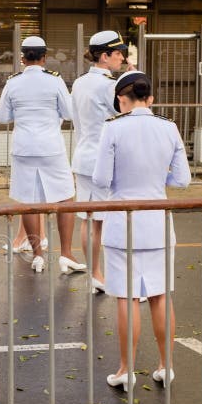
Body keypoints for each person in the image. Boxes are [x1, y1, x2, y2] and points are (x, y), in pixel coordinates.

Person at [92, 71, 191, 391]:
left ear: (122, 98)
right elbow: (182, 180)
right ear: (149, 97)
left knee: (127, 297)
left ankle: (126, 369)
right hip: (159, 220)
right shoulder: (169, 127)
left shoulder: (114, 128)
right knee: (161, 295)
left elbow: (101, 179)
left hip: (124, 220)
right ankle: (166, 365)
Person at [0, 36, 85, 274]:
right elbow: (67, 113)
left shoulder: (13, 83)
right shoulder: (53, 81)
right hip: (50, 147)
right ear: (45, 58)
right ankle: (66, 253)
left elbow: (2, 117)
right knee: (66, 197)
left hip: (24, 147)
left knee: (28, 201)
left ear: (23, 58)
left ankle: (37, 255)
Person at [71, 31, 130, 293]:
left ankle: (94, 272)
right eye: (118, 53)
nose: (122, 58)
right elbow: (127, 113)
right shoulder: (108, 85)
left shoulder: (80, 82)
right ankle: (102, 273)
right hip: (103, 159)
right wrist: (131, 80)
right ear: (104, 56)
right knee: (108, 220)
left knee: (89, 219)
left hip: (83, 156)